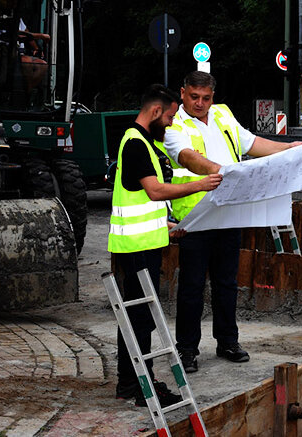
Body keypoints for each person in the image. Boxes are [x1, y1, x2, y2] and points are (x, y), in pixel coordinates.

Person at [162, 71, 302, 373]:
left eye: (205, 98)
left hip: (229, 211)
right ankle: (186, 349)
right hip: (194, 217)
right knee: (191, 286)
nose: (200, 103)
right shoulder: (174, 123)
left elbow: (251, 143)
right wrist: (223, 171)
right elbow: (187, 157)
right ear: (183, 92)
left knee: (227, 283)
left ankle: (227, 340)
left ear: (213, 96)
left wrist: (287, 148)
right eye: (193, 97)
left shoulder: (223, 114)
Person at [110, 84, 222, 406]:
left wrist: (167, 225)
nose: (172, 122)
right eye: (171, 116)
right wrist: (200, 184)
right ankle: (140, 387)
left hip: (142, 243)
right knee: (140, 320)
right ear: (156, 111)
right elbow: (155, 191)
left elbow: (143, 202)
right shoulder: (135, 144)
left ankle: (130, 385)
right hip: (135, 248)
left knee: (136, 320)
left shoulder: (142, 142)